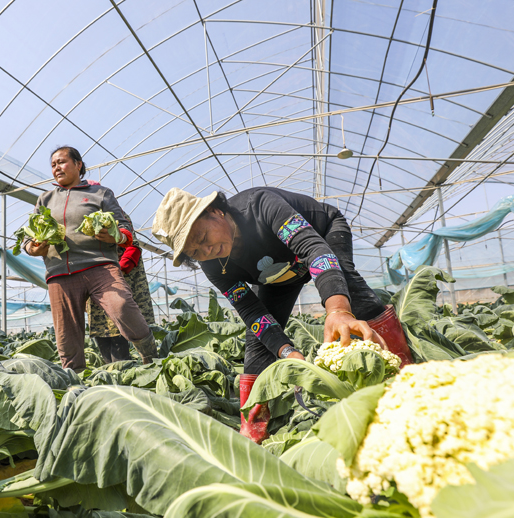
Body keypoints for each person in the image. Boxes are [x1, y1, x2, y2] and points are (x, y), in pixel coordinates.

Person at [152, 187, 412, 443]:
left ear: (215, 212)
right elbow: (252, 312)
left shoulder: (260, 206)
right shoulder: (213, 265)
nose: (205, 251)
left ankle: (407, 376)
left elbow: (313, 249)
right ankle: (253, 430)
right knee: (258, 344)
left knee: (352, 290)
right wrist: (287, 351)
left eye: (202, 237)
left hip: (322, 236)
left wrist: (338, 310)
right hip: (279, 277)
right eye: (194, 253)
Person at [21, 146, 158, 370]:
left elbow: (124, 229)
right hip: (59, 273)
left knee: (122, 306)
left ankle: (150, 353)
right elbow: (28, 236)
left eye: (62, 162)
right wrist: (31, 248)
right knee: (67, 337)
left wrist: (116, 235)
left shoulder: (100, 194)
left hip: (99, 266)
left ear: (78, 165)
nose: (57, 168)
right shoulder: (45, 199)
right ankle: (76, 384)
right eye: (53, 164)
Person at [87, 234, 155, 363]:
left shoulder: (115, 216)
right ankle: (114, 376)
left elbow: (132, 248)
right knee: (102, 334)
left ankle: (124, 374)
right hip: (95, 284)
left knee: (119, 331)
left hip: (117, 282)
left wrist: (120, 271)